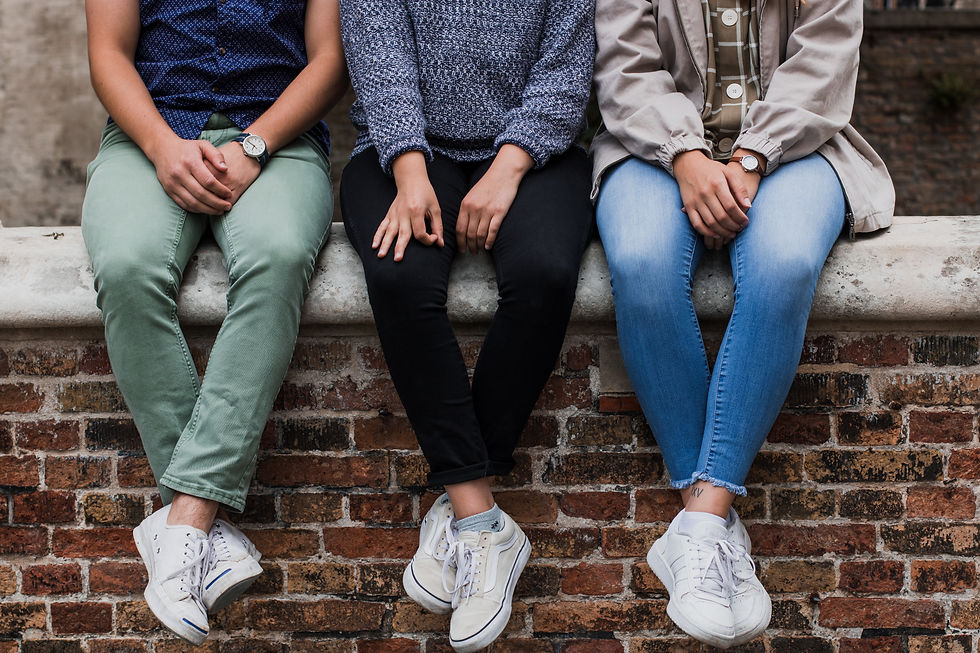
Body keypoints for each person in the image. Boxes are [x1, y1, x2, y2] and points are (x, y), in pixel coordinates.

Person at [591, 0, 894, 647]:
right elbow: (625, 67)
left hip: (800, 149)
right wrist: (687, 157)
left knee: (784, 266)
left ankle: (700, 525)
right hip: (650, 150)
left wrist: (753, 155)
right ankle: (711, 530)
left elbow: (826, 55)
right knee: (642, 265)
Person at [81, 0, 346, 644]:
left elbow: (331, 59)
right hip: (149, 133)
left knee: (280, 257)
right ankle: (200, 529)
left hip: (277, 139)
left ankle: (187, 519)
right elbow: (109, 52)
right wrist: (162, 147)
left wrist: (256, 143)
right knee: (126, 267)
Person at [338, 1, 595, 650]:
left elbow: (567, 70)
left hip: (535, 153)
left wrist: (509, 166)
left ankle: (457, 504)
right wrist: (408, 165)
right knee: (400, 275)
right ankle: (481, 518)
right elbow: (376, 48)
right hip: (404, 150)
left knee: (543, 274)